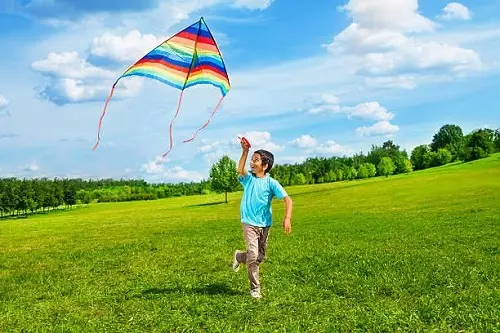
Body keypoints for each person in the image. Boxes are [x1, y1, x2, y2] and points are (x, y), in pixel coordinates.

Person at [232, 137, 293, 299]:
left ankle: (239, 256)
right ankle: (255, 288)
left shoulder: (272, 183)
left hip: (265, 224)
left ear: (265, 166)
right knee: (253, 255)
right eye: (252, 160)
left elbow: (288, 199)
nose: (252, 163)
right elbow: (240, 169)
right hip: (249, 223)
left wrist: (287, 218)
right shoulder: (249, 180)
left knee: (260, 256)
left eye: (256, 160)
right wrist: (245, 151)